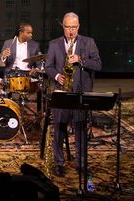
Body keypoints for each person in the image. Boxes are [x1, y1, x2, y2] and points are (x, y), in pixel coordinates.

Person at [44, 12, 101, 177]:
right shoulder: (54, 44)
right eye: (68, 27)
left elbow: (98, 64)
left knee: (80, 130)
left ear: (78, 27)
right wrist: (56, 76)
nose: (71, 31)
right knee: (59, 130)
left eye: (74, 27)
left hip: (80, 93)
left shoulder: (88, 43)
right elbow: (48, 67)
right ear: (63, 26)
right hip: (62, 93)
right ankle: (59, 163)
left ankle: (81, 164)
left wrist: (81, 59)